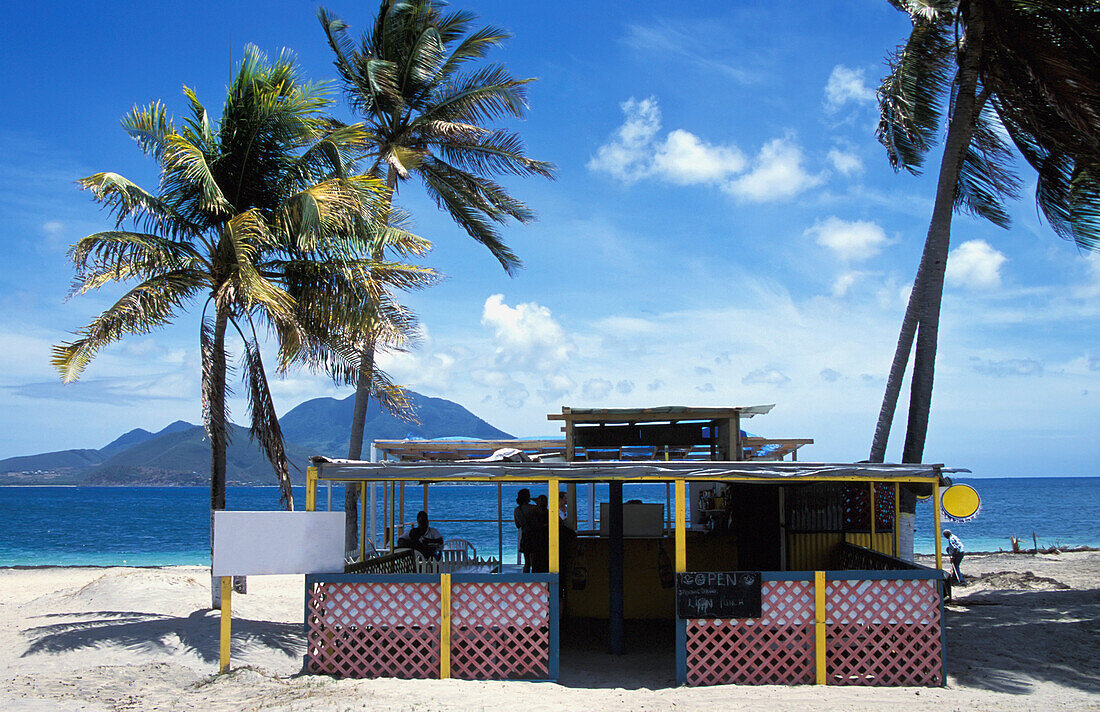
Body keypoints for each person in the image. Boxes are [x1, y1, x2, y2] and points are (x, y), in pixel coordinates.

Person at [514, 488, 539, 573]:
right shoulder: (533, 508)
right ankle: (535, 580)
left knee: (527, 562)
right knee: (535, 561)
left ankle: (526, 580)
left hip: (525, 535)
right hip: (535, 535)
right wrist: (537, 501)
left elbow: (518, 525)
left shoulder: (517, 510)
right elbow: (542, 512)